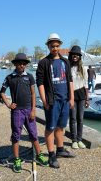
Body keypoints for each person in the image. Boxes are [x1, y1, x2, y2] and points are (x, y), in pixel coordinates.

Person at [0, 53, 48, 173]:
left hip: (28, 110)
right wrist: (8, 104)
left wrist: (33, 109)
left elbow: (32, 94)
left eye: (24, 63)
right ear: (15, 64)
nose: (22, 65)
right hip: (17, 111)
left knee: (33, 133)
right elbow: (2, 92)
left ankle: (39, 154)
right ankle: (16, 159)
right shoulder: (10, 78)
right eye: (19, 63)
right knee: (16, 135)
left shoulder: (30, 77)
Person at [36, 33, 75, 169]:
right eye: (52, 46)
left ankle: (60, 149)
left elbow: (70, 80)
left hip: (65, 100)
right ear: (48, 46)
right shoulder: (44, 63)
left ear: (60, 46)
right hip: (52, 101)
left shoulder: (65, 62)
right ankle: (51, 155)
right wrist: (44, 100)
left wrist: (71, 97)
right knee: (50, 127)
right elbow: (40, 83)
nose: (55, 48)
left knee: (61, 126)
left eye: (57, 46)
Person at [68, 45, 89, 149]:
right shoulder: (68, 68)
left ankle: (80, 139)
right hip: (71, 95)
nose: (75, 56)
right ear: (71, 56)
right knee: (73, 118)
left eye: (77, 55)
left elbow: (86, 84)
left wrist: (87, 98)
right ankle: (74, 140)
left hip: (81, 95)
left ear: (79, 56)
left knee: (80, 118)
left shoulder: (83, 68)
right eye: (73, 54)